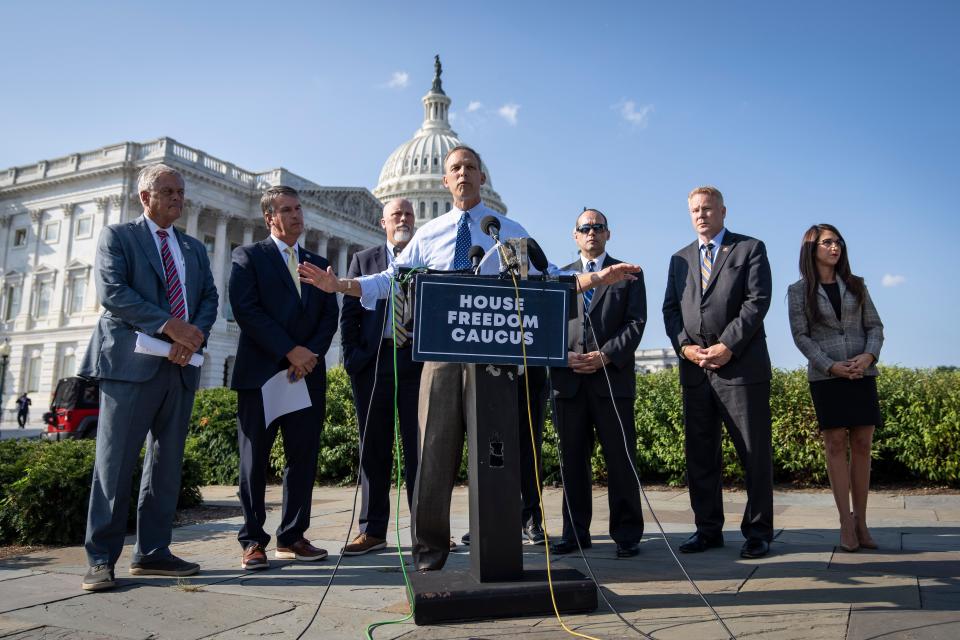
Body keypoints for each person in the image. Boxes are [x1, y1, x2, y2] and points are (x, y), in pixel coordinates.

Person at [298, 145, 640, 571]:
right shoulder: (429, 234)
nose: (463, 174)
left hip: (494, 361)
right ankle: (430, 550)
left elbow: (549, 277)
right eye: (455, 168)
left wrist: (595, 278)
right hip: (440, 356)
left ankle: (496, 543)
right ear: (446, 182)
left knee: (497, 453)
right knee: (433, 451)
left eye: (470, 168)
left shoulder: (508, 230)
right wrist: (341, 285)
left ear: (483, 179)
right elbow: (391, 280)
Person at [79, 163, 219, 591]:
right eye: (169, 191)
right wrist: (168, 325)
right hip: (129, 365)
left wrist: (192, 337)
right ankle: (101, 558)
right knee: (114, 464)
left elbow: (209, 297)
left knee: (166, 465)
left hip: (178, 367)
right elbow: (114, 292)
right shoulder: (119, 237)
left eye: (181, 191)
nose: (178, 198)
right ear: (146, 197)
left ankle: (154, 552)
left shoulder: (193, 248)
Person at [229, 185, 339, 571]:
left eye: (298, 208)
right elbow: (246, 309)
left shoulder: (316, 261)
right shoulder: (249, 256)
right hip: (262, 374)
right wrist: (289, 351)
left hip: (306, 375)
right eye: (287, 210)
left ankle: (292, 535)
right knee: (254, 460)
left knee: (302, 459)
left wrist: (310, 355)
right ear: (269, 218)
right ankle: (252, 540)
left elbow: (330, 314)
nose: (296, 216)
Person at [661, 185, 774, 559]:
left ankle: (758, 532)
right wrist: (685, 347)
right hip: (696, 371)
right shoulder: (679, 259)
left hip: (740, 369)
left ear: (723, 212)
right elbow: (671, 311)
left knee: (752, 452)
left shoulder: (749, 249)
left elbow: (756, 302)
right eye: (694, 210)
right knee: (700, 455)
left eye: (708, 209)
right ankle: (707, 529)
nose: (701, 215)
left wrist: (728, 346)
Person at [550, 209, 646, 558]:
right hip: (569, 380)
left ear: (608, 234)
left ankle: (627, 534)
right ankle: (575, 533)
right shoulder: (559, 277)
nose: (592, 232)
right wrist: (563, 356)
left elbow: (636, 323)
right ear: (575, 235)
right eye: (585, 228)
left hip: (611, 380)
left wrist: (606, 355)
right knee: (572, 461)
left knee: (620, 460)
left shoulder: (629, 274)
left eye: (598, 227)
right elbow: (547, 325)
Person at [787, 224, 883, 552]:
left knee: (862, 445)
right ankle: (845, 522)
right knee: (834, 445)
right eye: (827, 242)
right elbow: (801, 336)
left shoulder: (857, 286)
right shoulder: (798, 291)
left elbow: (875, 326)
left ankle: (862, 521)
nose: (835, 247)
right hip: (827, 377)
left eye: (838, 241)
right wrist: (830, 365)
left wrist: (868, 356)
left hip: (862, 373)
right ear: (811, 249)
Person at [340, 198, 422, 556]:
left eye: (408, 214)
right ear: (383, 222)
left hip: (417, 362)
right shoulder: (364, 259)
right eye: (396, 215)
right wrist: (353, 358)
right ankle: (372, 530)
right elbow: (349, 313)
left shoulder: (426, 258)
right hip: (374, 363)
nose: (402, 219)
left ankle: (426, 529)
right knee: (373, 446)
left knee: (420, 447)